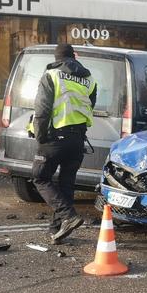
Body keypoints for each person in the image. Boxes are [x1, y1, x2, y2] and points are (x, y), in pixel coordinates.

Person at [27, 44, 97, 244]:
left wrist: (40, 138)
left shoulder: (52, 75)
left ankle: (68, 216)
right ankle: (56, 230)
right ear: (74, 57)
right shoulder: (89, 80)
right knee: (66, 183)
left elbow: (42, 110)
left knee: (40, 177)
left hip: (55, 136)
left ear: (57, 58)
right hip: (78, 139)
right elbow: (89, 105)